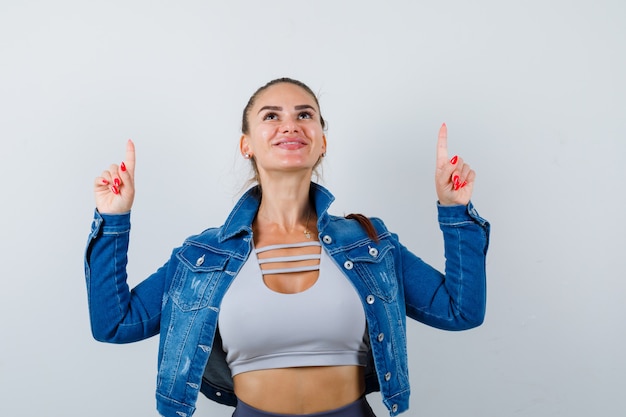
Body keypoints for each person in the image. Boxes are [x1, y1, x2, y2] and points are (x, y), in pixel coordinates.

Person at [85, 77, 490, 417]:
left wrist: (455, 211)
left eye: (304, 114)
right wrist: (114, 220)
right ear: (247, 145)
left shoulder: (370, 244)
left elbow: (460, 311)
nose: (290, 125)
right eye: (271, 116)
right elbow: (114, 324)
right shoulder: (201, 257)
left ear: (322, 142)